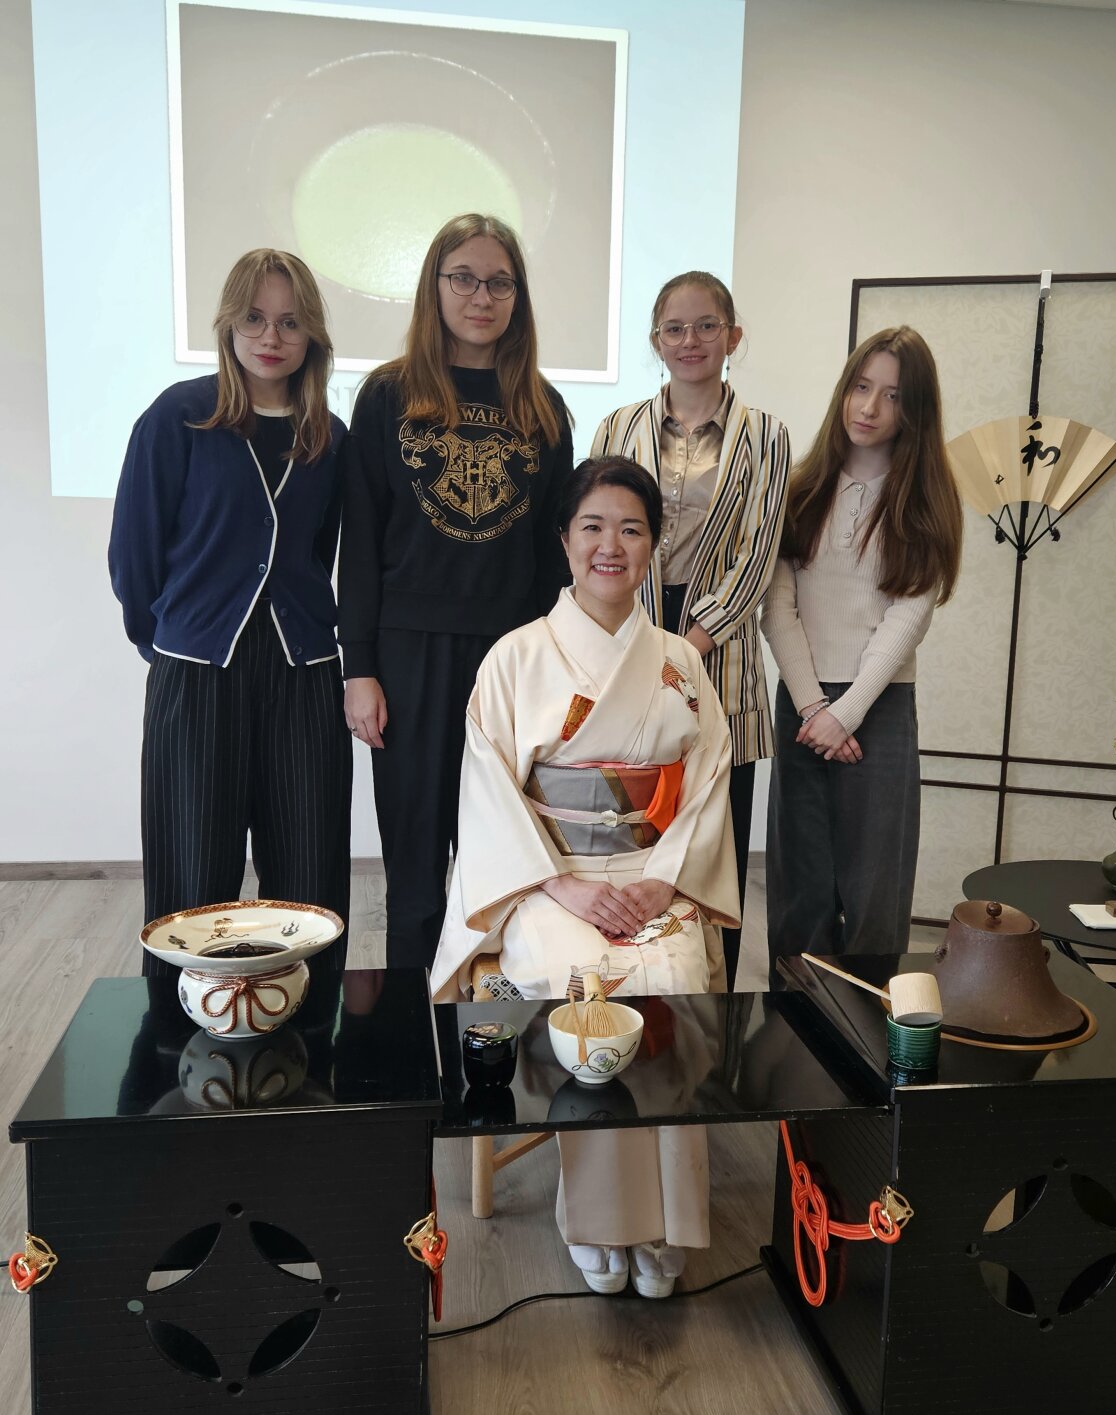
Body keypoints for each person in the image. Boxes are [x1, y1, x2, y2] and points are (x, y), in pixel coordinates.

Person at [431, 455, 739, 1297]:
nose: (612, 545)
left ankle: (669, 1220)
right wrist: (560, 885)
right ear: (565, 540)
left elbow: (708, 780)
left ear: (652, 547)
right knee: (585, 982)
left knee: (672, 971)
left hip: (653, 874)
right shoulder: (515, 657)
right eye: (593, 526)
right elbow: (488, 793)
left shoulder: (680, 662)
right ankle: (602, 1219)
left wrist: (665, 881)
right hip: (547, 878)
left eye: (632, 529)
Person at [339, 213, 574, 970]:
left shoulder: (543, 408)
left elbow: (553, 560)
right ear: (434, 287)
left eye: (500, 283)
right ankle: (411, 1028)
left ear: (518, 296)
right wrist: (358, 666)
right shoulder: (387, 396)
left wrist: (555, 669)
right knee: (415, 878)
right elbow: (360, 543)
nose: (482, 296)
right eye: (464, 278)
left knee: (504, 865)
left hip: (511, 661)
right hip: (407, 659)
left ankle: (490, 1033)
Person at [109, 249, 350, 972]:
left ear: (311, 335)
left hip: (304, 674)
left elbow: (321, 551)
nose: (271, 336)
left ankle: (308, 1028)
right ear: (228, 323)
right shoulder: (178, 417)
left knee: (309, 878)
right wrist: (171, 644)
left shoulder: (329, 436)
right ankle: (180, 1033)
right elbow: (134, 554)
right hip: (195, 674)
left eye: (290, 322)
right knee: (191, 879)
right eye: (254, 318)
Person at [591, 272, 790, 987]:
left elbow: (758, 555)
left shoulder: (766, 435)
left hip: (720, 658)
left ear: (732, 336)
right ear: (656, 340)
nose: (690, 340)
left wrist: (685, 647)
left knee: (714, 848)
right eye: (674, 328)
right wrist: (639, 644)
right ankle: (630, 989)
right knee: (632, 837)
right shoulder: (618, 427)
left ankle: (717, 1008)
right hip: (627, 645)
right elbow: (601, 535)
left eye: (707, 326)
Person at [761, 326, 962, 972]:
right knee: (800, 892)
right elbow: (777, 608)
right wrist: (814, 706)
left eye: (893, 395)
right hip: (801, 703)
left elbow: (909, 617)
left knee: (875, 894)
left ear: (916, 410)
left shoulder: (926, 502)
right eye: (861, 386)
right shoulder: (797, 489)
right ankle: (795, 1026)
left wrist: (845, 714)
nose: (870, 407)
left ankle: (869, 1027)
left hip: (880, 709)